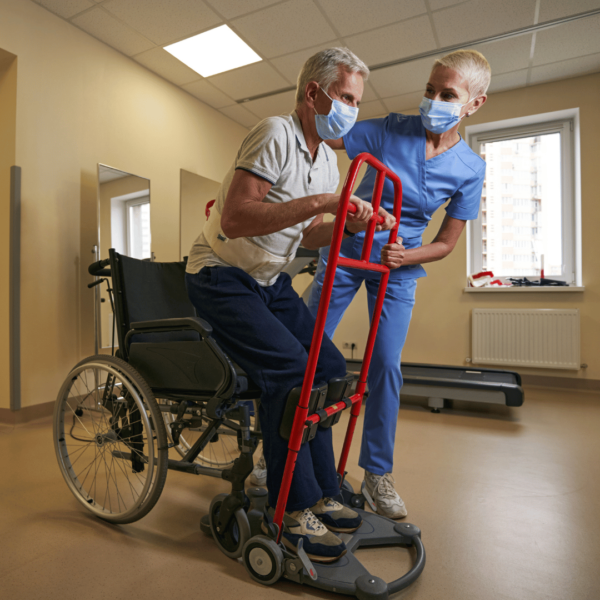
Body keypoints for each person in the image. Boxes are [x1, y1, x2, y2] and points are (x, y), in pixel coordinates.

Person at [185, 47, 395, 563]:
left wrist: (346, 223)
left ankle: (323, 490)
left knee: (327, 365)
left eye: (356, 100)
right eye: (346, 97)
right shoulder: (274, 133)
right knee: (289, 367)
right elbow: (235, 218)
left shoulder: (326, 159)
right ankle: (293, 505)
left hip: (270, 279)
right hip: (221, 274)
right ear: (313, 93)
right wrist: (328, 203)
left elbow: (305, 235)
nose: (352, 108)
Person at [308, 49, 491, 519]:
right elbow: (332, 136)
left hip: (398, 266)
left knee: (386, 365)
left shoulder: (470, 168)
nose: (433, 101)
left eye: (447, 94)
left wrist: (407, 254)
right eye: (430, 91)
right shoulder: (391, 129)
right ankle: (277, 451)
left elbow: (447, 241)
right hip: (348, 251)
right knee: (304, 345)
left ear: (474, 104)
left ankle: (376, 474)